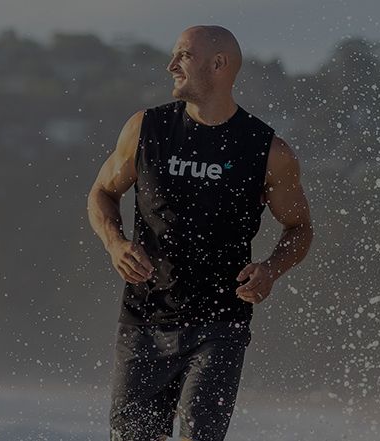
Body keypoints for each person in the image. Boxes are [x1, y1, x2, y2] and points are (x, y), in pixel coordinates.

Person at [85, 25, 314, 441]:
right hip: (144, 321)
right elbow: (102, 192)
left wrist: (271, 270)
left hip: (220, 325)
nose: (171, 65)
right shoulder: (146, 129)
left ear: (219, 65)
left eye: (183, 56)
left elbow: (299, 228)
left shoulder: (267, 150)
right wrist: (115, 243)